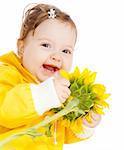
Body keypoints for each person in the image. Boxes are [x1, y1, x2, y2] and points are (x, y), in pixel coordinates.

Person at [0, 3, 101, 150]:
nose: (56, 57)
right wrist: (46, 94)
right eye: (46, 45)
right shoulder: (8, 74)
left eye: (66, 51)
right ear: (22, 48)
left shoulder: (59, 88)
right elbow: (5, 110)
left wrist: (82, 123)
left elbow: (60, 132)